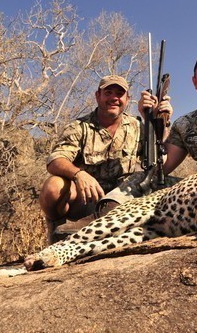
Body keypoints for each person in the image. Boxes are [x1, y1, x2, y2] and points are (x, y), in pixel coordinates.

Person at [39, 74, 171, 243]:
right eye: (108, 92)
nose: (114, 98)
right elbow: (55, 160)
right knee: (53, 187)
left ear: (127, 99)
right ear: (98, 96)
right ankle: (57, 235)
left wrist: (159, 121)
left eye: (119, 93)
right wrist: (79, 174)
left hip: (123, 201)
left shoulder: (138, 126)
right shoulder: (79, 127)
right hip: (88, 199)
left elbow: (161, 160)